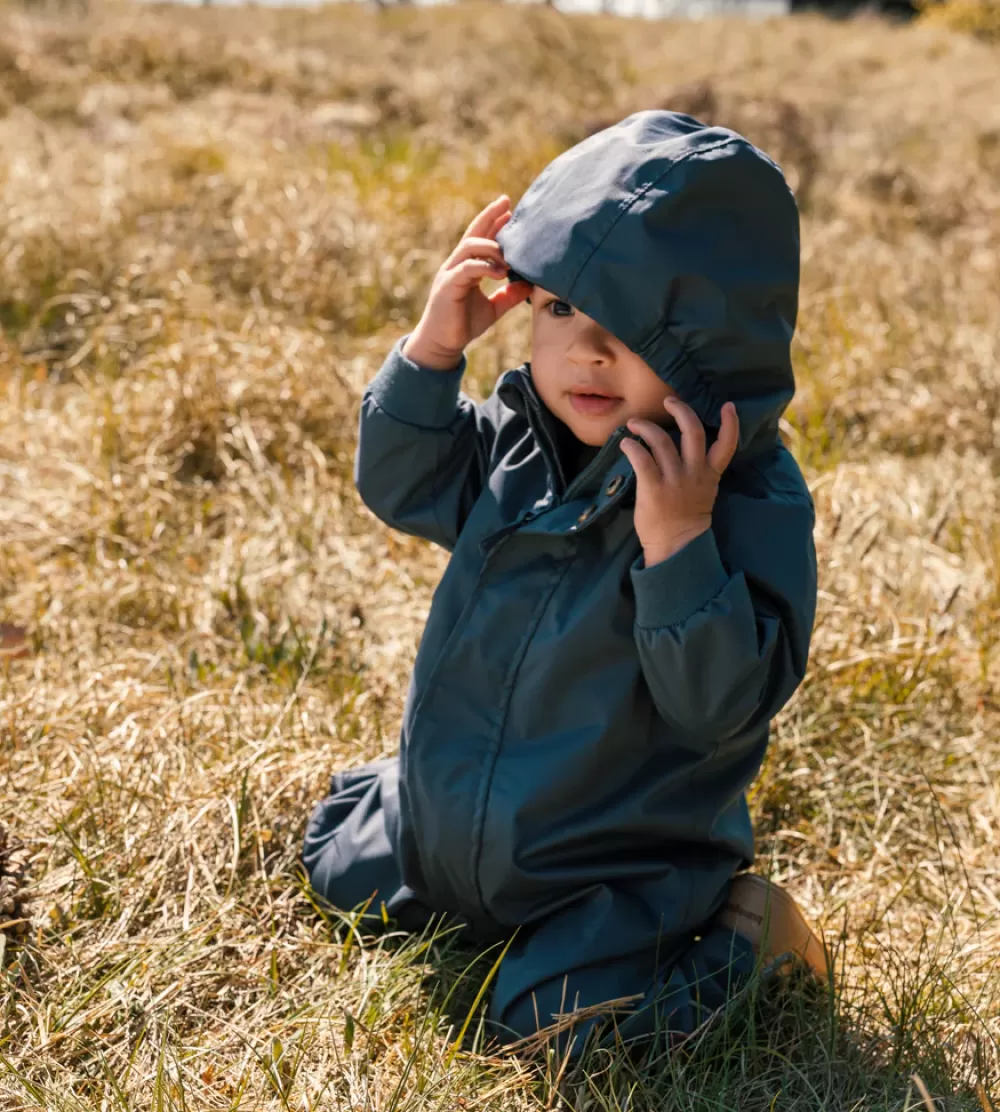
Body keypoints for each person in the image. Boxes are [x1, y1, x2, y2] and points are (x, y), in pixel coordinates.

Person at [302, 110, 825, 1056]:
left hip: (610, 862)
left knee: (551, 1027)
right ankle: (446, 833)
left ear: (710, 349)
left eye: (633, 331)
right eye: (559, 310)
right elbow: (403, 484)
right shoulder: (526, 437)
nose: (586, 352)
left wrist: (680, 549)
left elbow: (722, 707)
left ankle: (754, 948)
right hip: (454, 818)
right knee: (337, 868)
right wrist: (430, 355)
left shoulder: (745, 500)